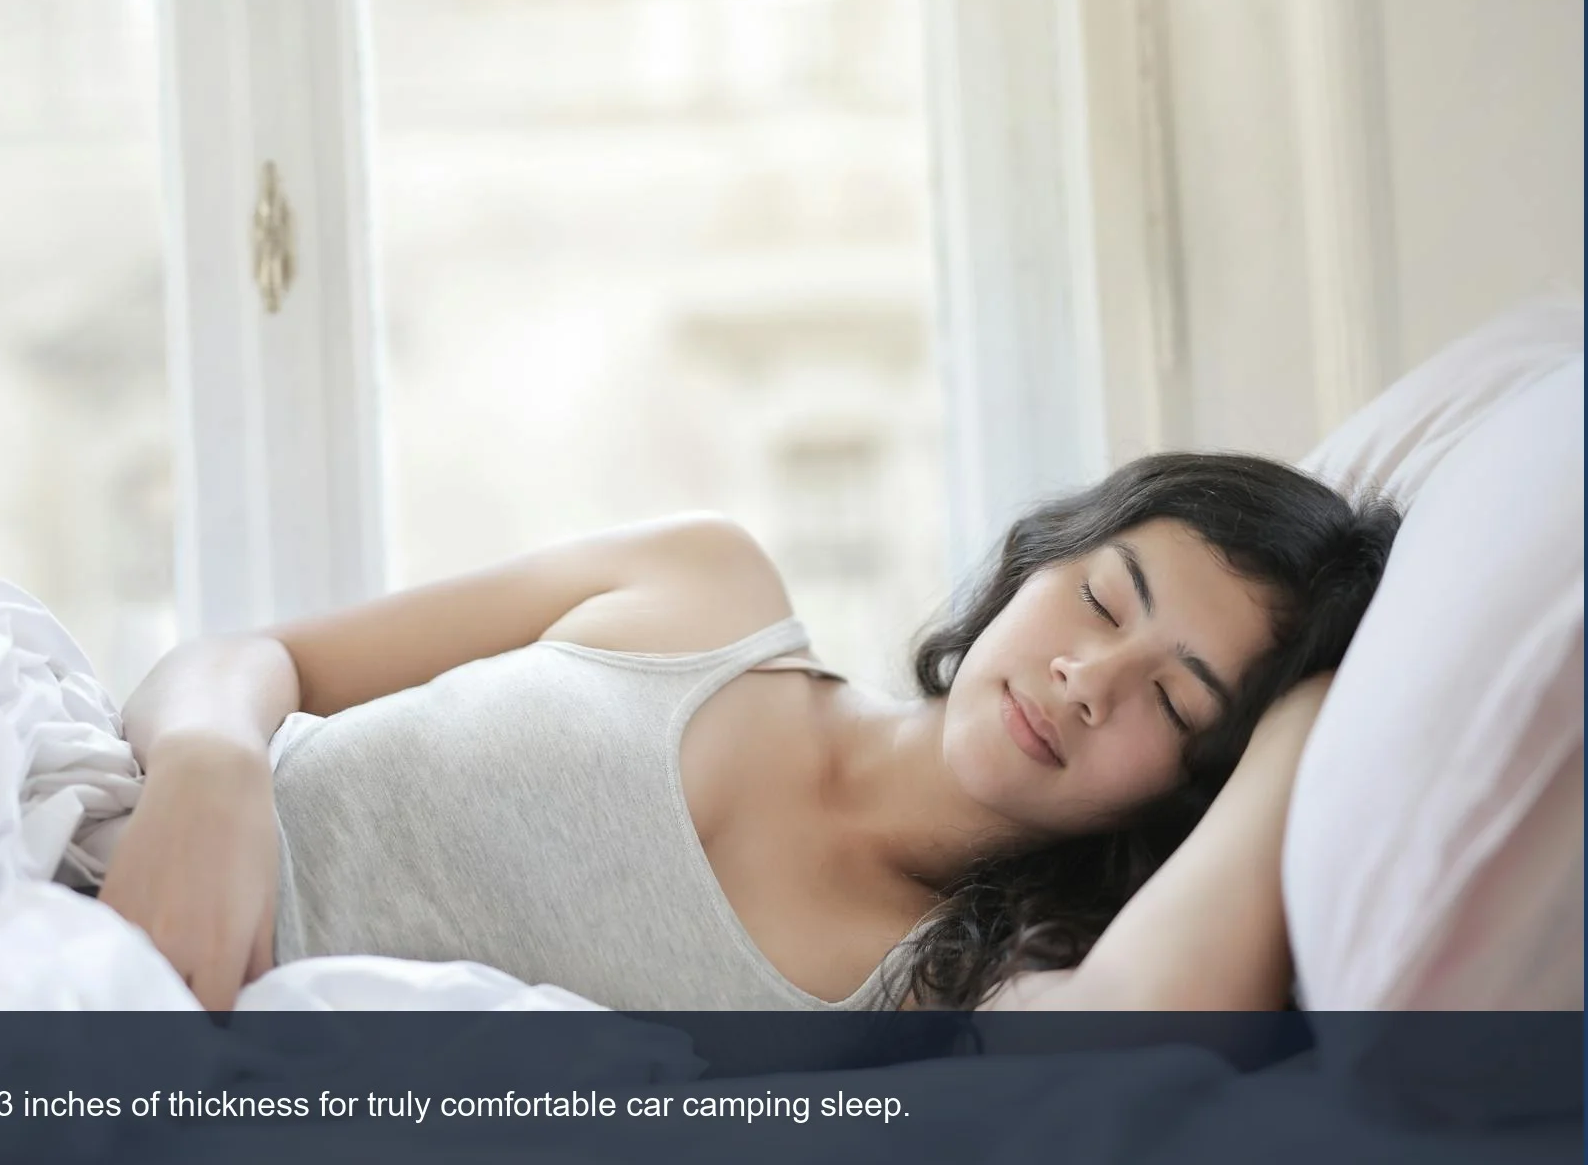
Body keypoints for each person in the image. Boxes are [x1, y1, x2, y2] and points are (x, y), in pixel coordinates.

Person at [99, 452, 1399, 1012]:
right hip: (79, 843)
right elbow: (252, 660)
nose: (1085, 680)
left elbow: (1136, 1035)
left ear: (1192, 790)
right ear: (1039, 559)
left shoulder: (941, 987)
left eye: (1175, 704)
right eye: (1104, 599)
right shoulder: (704, 584)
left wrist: (1312, 706)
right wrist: (213, 766)